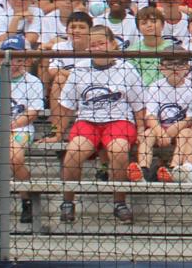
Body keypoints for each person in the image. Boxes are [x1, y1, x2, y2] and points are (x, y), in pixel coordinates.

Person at [55, 26, 145, 225]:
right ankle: (68, 202)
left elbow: (138, 104)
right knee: (74, 151)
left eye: (101, 43)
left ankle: (119, 203)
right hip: (87, 121)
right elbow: (66, 105)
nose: (97, 47)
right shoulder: (80, 68)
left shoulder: (126, 68)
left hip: (119, 120)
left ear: (113, 43)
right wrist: (56, 132)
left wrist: (140, 129)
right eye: (93, 44)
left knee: (119, 150)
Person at [0, 36, 45, 223]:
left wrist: (9, 126)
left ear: (25, 60)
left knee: (14, 158)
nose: (14, 63)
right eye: (10, 58)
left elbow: (33, 113)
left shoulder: (33, 82)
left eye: (18, 58)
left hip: (19, 128)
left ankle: (26, 201)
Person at [130, 51, 192, 183]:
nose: (175, 68)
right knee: (147, 135)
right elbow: (150, 115)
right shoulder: (155, 86)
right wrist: (160, 133)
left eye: (180, 64)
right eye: (169, 65)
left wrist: (169, 133)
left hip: (182, 128)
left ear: (187, 67)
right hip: (160, 128)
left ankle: (173, 168)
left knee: (186, 133)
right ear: (161, 68)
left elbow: (190, 118)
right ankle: (143, 170)